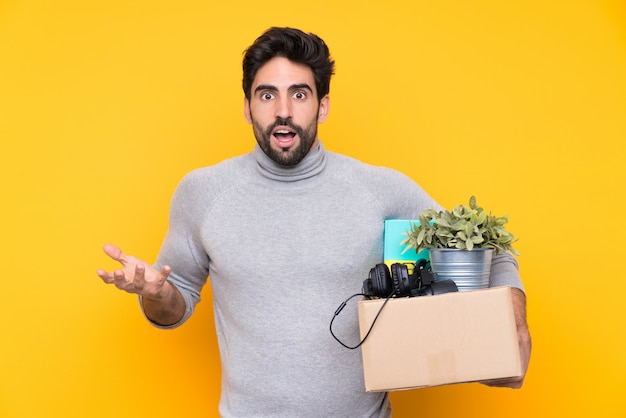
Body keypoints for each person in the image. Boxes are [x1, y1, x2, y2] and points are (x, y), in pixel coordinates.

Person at [97, 27, 531, 417]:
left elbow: (492, 248)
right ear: (248, 107)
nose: (283, 111)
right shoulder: (203, 193)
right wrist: (155, 294)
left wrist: (513, 320)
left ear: (322, 106)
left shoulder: (379, 188)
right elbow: (176, 306)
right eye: (267, 95)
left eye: (299, 94)